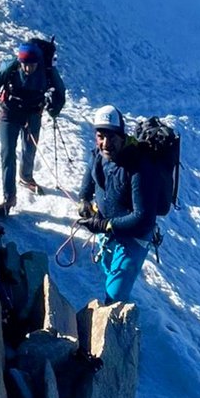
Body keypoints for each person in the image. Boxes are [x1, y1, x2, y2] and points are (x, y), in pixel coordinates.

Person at [75, 105, 158, 304]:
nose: (105, 143)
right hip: (111, 233)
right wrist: (84, 202)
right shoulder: (98, 155)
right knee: (110, 275)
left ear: (122, 136)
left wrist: (104, 225)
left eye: (111, 137)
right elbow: (88, 183)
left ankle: (117, 328)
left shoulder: (139, 167)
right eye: (101, 136)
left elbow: (143, 217)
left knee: (115, 296)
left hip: (134, 239)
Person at [0, 40, 65, 217]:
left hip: (33, 114)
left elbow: (60, 91)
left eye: (32, 65)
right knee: (7, 153)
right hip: (9, 113)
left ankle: (26, 176)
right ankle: (9, 196)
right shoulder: (11, 66)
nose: (28, 69)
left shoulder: (47, 70)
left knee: (29, 148)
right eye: (25, 65)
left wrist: (54, 108)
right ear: (20, 62)